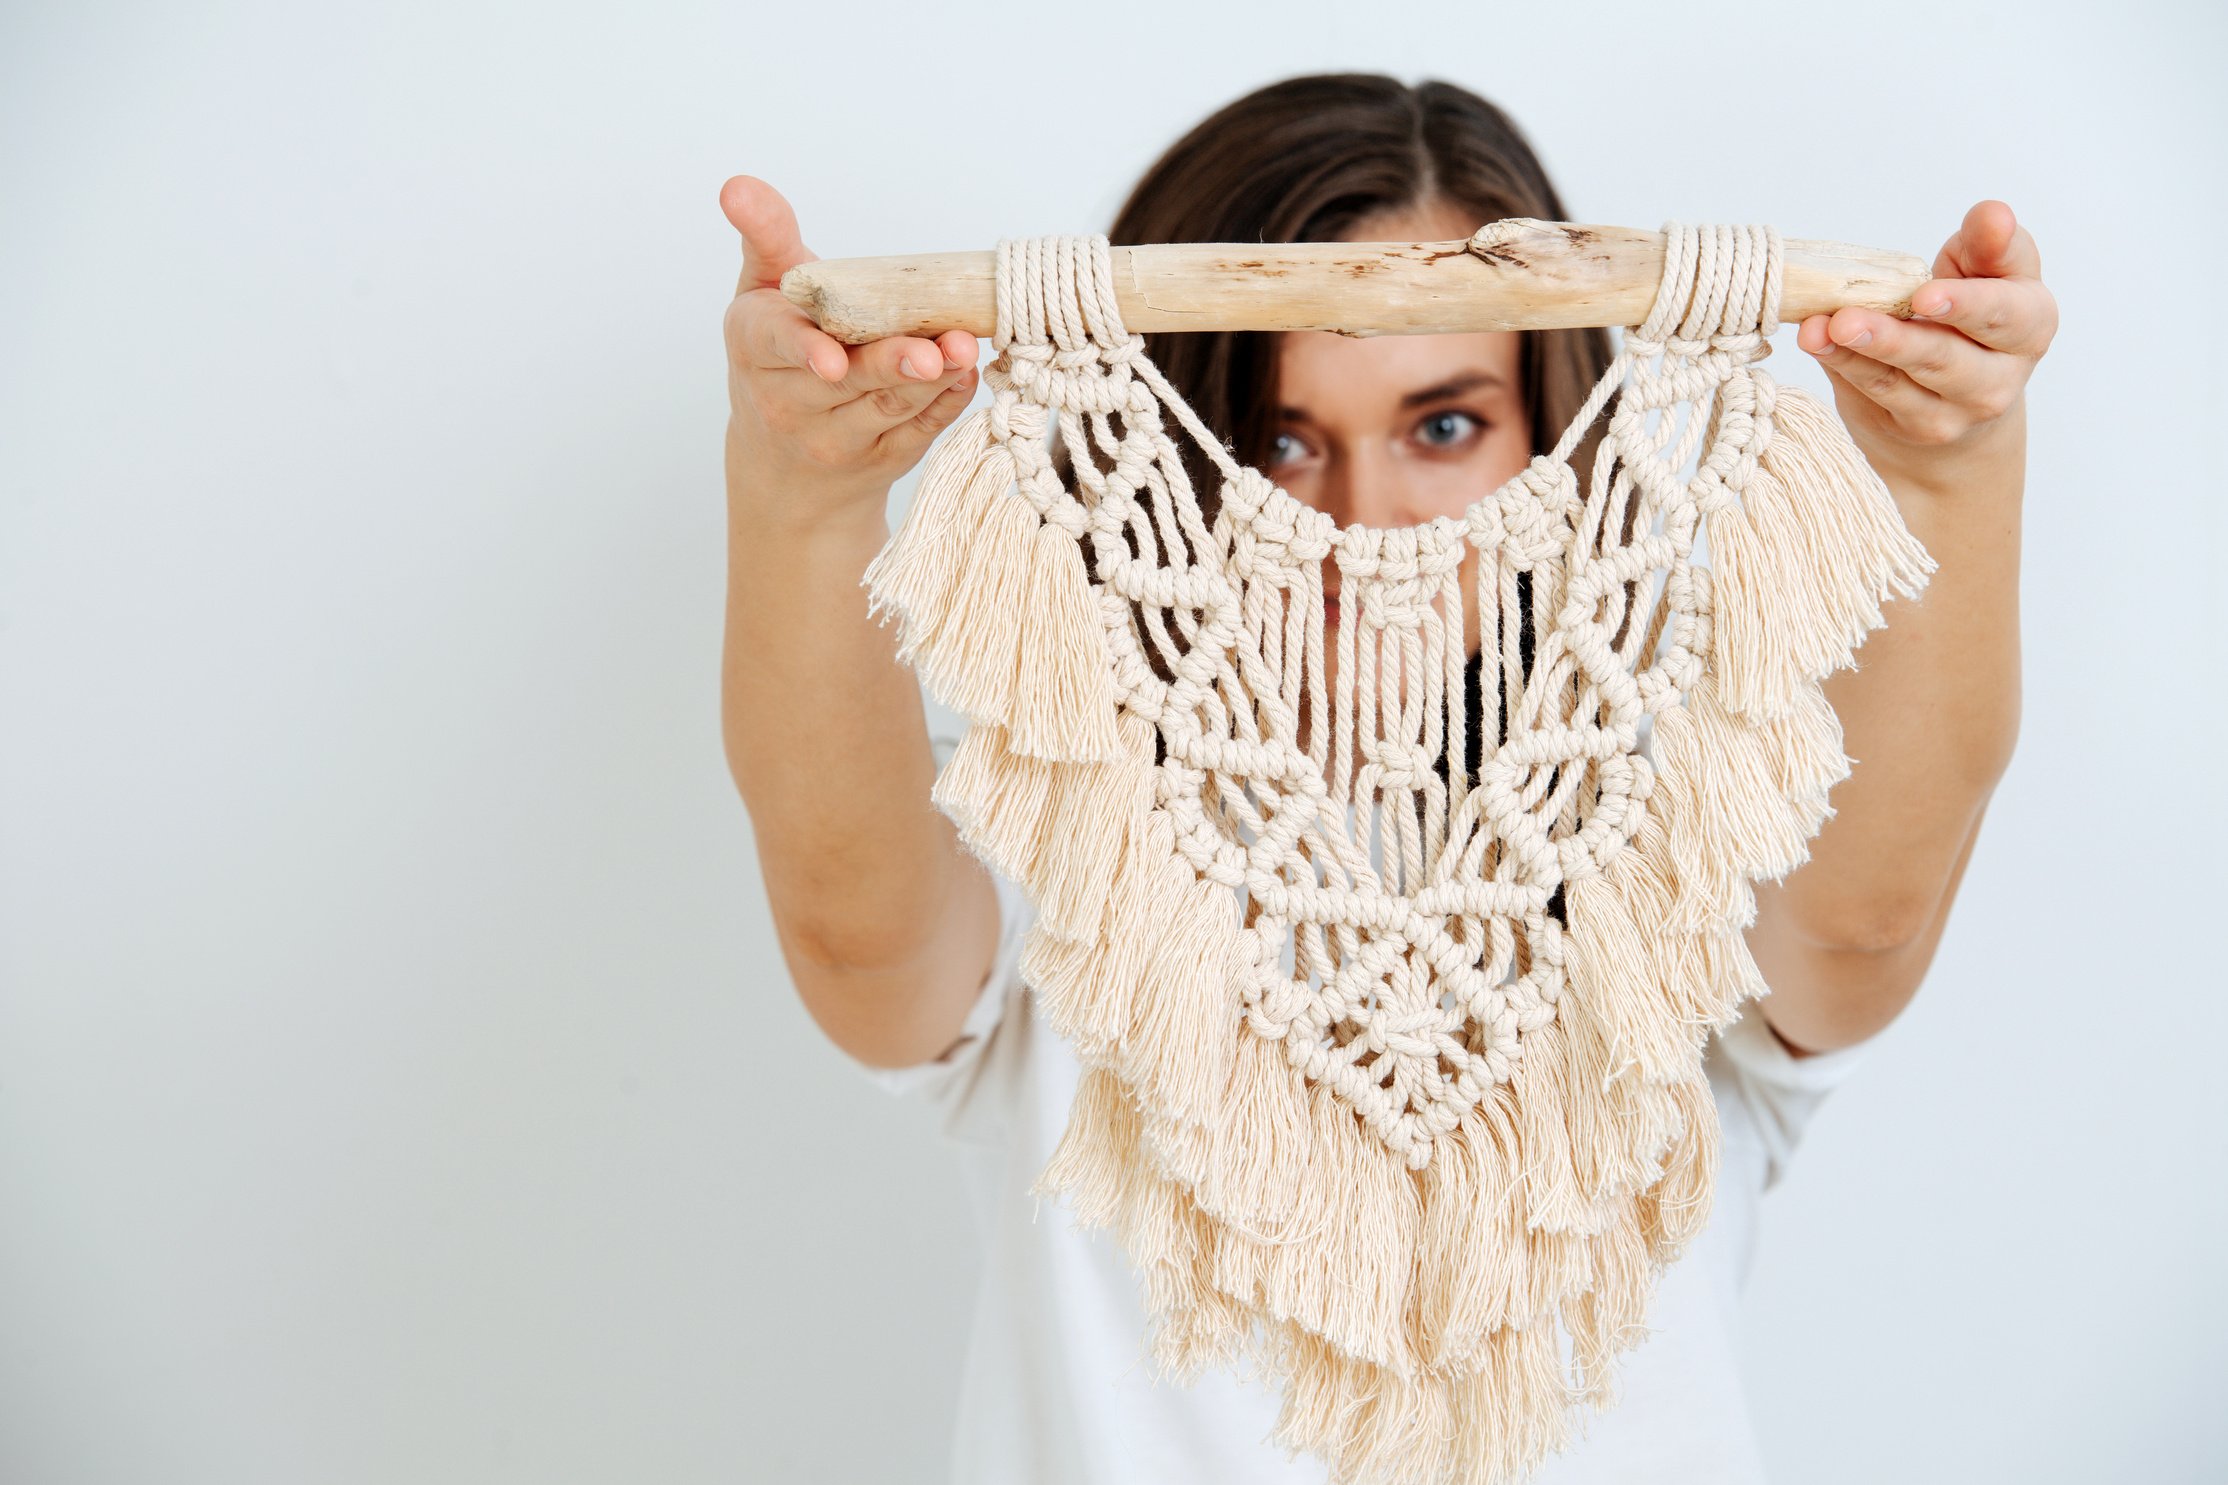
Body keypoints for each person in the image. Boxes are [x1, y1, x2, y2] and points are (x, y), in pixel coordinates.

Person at [718, 73, 2049, 1485]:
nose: (1365, 520)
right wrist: (800, 494)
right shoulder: (1063, 824)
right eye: (1282, 442)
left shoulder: (1676, 827)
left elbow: (1862, 932)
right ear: (1169, 450)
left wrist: (1953, 473)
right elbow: (855, 936)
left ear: (1557, 426)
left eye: (1446, 426)